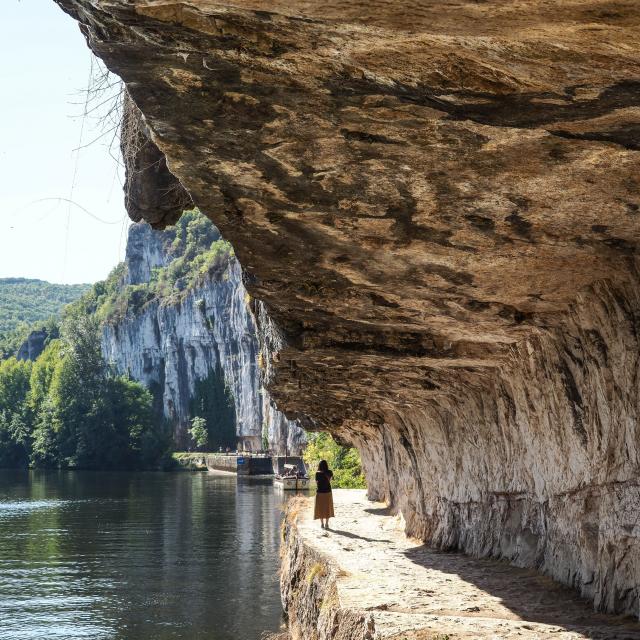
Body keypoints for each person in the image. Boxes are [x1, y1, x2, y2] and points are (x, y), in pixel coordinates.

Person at [314, 460, 334, 529]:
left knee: (320, 508)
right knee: (327, 508)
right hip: (328, 492)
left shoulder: (317, 473)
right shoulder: (330, 472)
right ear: (326, 465)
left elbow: (317, 483)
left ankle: (322, 524)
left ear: (319, 465)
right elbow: (329, 481)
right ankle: (327, 524)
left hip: (319, 492)